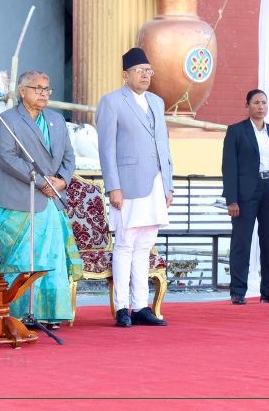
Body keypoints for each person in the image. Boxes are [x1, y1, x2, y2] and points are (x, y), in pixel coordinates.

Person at [0, 70, 83, 328]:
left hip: (51, 198)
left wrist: (62, 179)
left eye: (47, 89)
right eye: (37, 88)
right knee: (22, 259)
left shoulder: (56, 119)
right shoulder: (7, 120)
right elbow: (7, 158)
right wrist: (42, 182)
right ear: (22, 90)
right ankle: (18, 313)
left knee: (52, 258)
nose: (43, 93)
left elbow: (68, 157)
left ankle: (50, 313)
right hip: (19, 199)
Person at [96, 47, 173, 328]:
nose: (145, 75)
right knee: (126, 244)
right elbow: (106, 149)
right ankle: (122, 307)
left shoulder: (157, 102)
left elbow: (163, 145)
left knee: (145, 246)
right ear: (125, 75)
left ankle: (141, 305)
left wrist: (168, 184)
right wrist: (113, 187)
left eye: (149, 71)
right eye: (140, 71)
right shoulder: (112, 102)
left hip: (155, 182)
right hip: (127, 185)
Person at [222, 89, 269, 305]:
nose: (260, 106)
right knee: (242, 241)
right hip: (245, 193)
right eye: (256, 103)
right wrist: (231, 199)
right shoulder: (236, 131)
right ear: (247, 106)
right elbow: (229, 167)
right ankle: (238, 290)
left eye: (264, 102)